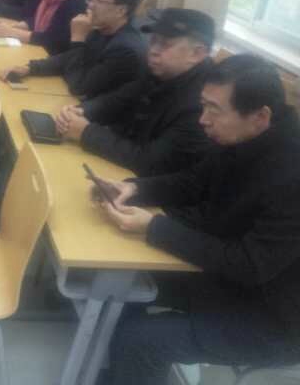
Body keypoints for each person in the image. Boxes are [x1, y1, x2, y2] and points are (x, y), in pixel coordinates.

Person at [96, 54, 300, 385]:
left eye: (214, 110)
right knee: (119, 285)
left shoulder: (292, 175)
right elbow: (192, 182)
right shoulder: (241, 137)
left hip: (276, 318)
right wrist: (133, 188)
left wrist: (154, 227)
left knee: (141, 341)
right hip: (228, 282)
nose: (203, 120)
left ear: (260, 117)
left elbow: (250, 265)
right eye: (203, 106)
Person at [56, 8, 217, 176]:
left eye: (165, 44)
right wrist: (81, 111)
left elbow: (151, 163)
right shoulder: (161, 72)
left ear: (196, 53)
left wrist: (86, 133)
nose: (153, 50)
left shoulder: (203, 105)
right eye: (153, 41)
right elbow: (118, 100)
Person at [0, 0, 146, 100]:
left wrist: (77, 39)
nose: (90, 6)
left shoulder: (124, 50)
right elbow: (67, 59)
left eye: (100, 1)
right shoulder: (102, 29)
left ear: (121, 10)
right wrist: (30, 68)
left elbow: (79, 88)